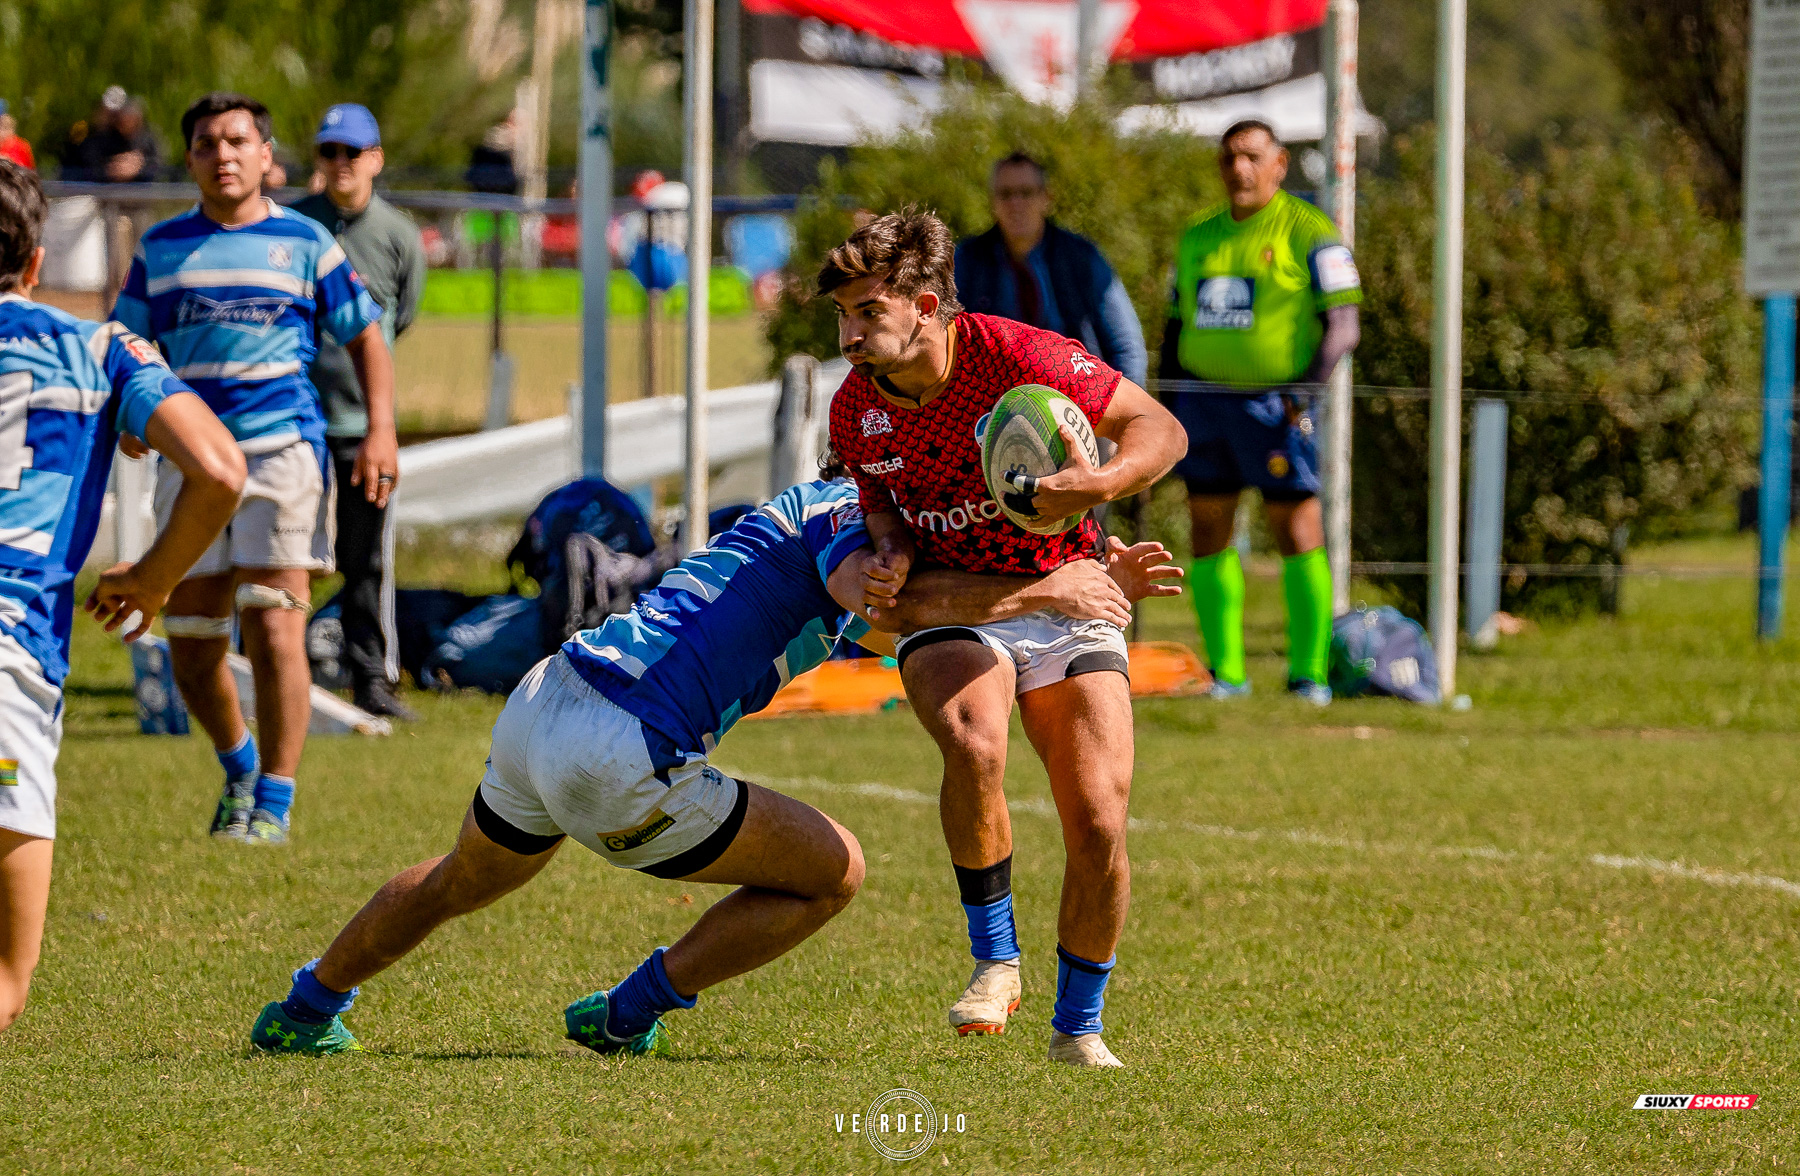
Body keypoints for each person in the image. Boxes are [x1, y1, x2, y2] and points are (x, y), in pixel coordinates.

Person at [246, 475, 1180, 1055]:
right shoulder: (855, 522)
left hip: (549, 697)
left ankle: (306, 1003)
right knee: (835, 871)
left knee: (462, 876)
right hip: (623, 754)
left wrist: (1055, 589)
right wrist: (1056, 589)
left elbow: (914, 615)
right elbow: (887, 604)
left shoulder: (795, 506)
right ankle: (629, 1011)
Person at [822, 210, 1187, 1068]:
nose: (848, 338)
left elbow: (1161, 429)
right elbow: (882, 510)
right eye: (840, 316)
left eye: (867, 314)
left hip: (1070, 593)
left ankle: (1078, 1028)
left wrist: (1098, 483)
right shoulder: (855, 408)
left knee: (1098, 818)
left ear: (924, 306)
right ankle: (996, 961)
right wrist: (888, 552)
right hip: (957, 602)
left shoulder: (1017, 357)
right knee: (973, 740)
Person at [110, 93, 394, 846]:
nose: (223, 155)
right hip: (191, 460)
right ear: (191, 159)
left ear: (267, 156)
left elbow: (367, 337)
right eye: (207, 143)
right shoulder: (160, 248)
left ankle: (274, 798)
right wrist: (132, 416)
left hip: (282, 453)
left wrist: (381, 431)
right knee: (193, 639)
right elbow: (126, 347)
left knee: (273, 624)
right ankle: (238, 763)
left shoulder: (305, 242)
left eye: (238, 140)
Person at [0, 161, 244, 1033]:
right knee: (6, 978)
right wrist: (152, 578)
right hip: (9, 660)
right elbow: (219, 470)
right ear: (36, 262)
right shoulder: (101, 350)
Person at [1158, 119, 1361, 706]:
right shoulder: (1198, 236)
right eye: (1228, 158)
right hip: (1203, 403)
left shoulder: (1311, 230)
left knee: (1296, 529)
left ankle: (1309, 675)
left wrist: (1304, 393)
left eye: (1251, 156)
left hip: (1277, 406)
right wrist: (1166, 404)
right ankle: (1227, 675)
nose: (1239, 169)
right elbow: (1173, 325)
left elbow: (1344, 327)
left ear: (1280, 164)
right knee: (1207, 528)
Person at [293, 104, 426, 721]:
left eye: (352, 152)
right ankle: (273, 671)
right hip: (293, 423)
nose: (340, 163)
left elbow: (399, 320)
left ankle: (370, 676)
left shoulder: (398, 235)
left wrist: (380, 425)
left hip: (361, 429)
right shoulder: (294, 225)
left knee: (365, 560)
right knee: (282, 556)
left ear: (376, 159)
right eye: (329, 152)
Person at [954, 152, 1147, 388]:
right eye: (1005, 194)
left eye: (1026, 192)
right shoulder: (967, 260)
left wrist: (1124, 407)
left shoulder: (1082, 257)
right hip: (992, 400)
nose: (1016, 203)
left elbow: (1126, 347)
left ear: (1046, 198)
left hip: (1079, 396)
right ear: (993, 202)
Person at [0, 103, 33, 169]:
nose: (2, 132)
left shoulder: (21, 146)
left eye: (6, 128)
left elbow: (26, 169)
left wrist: (6, 161)